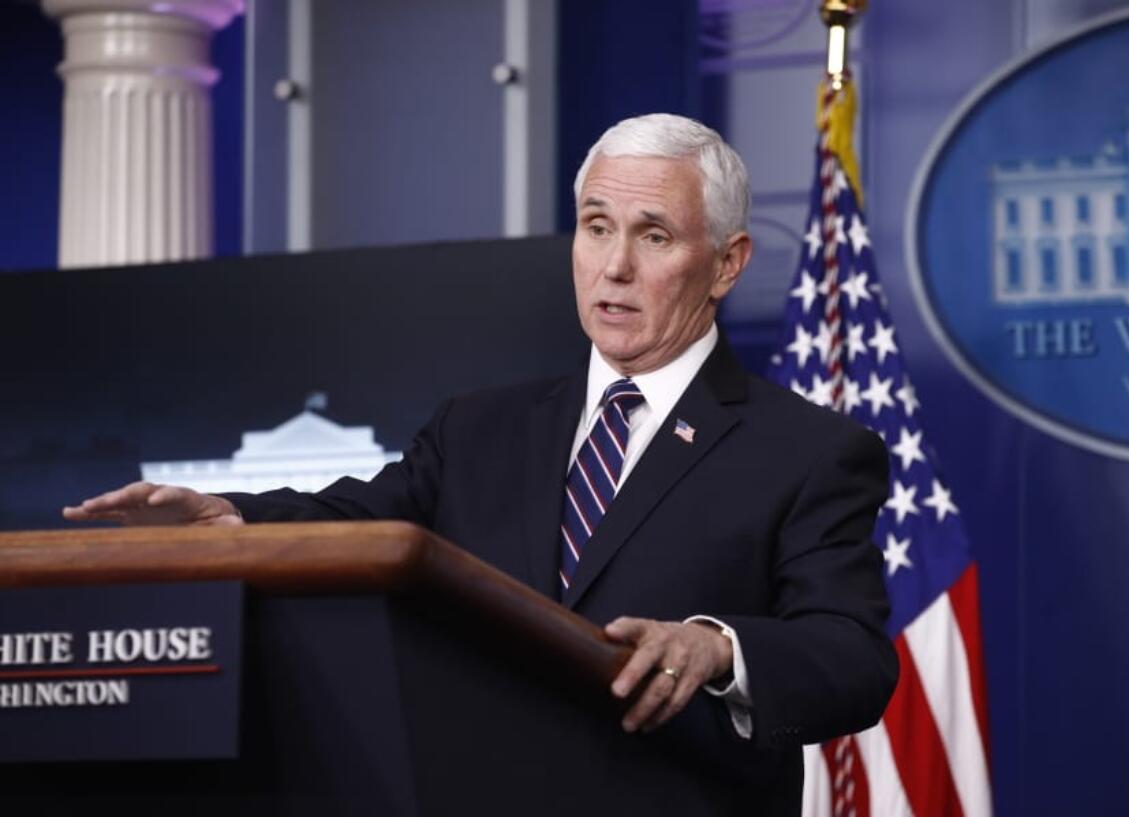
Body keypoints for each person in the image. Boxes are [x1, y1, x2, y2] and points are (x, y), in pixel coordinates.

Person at [65, 113, 897, 815]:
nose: (614, 266)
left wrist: (718, 648)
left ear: (727, 262)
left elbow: (854, 658)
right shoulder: (480, 428)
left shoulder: (808, 451)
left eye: (654, 236)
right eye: (597, 226)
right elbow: (362, 521)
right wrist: (232, 518)